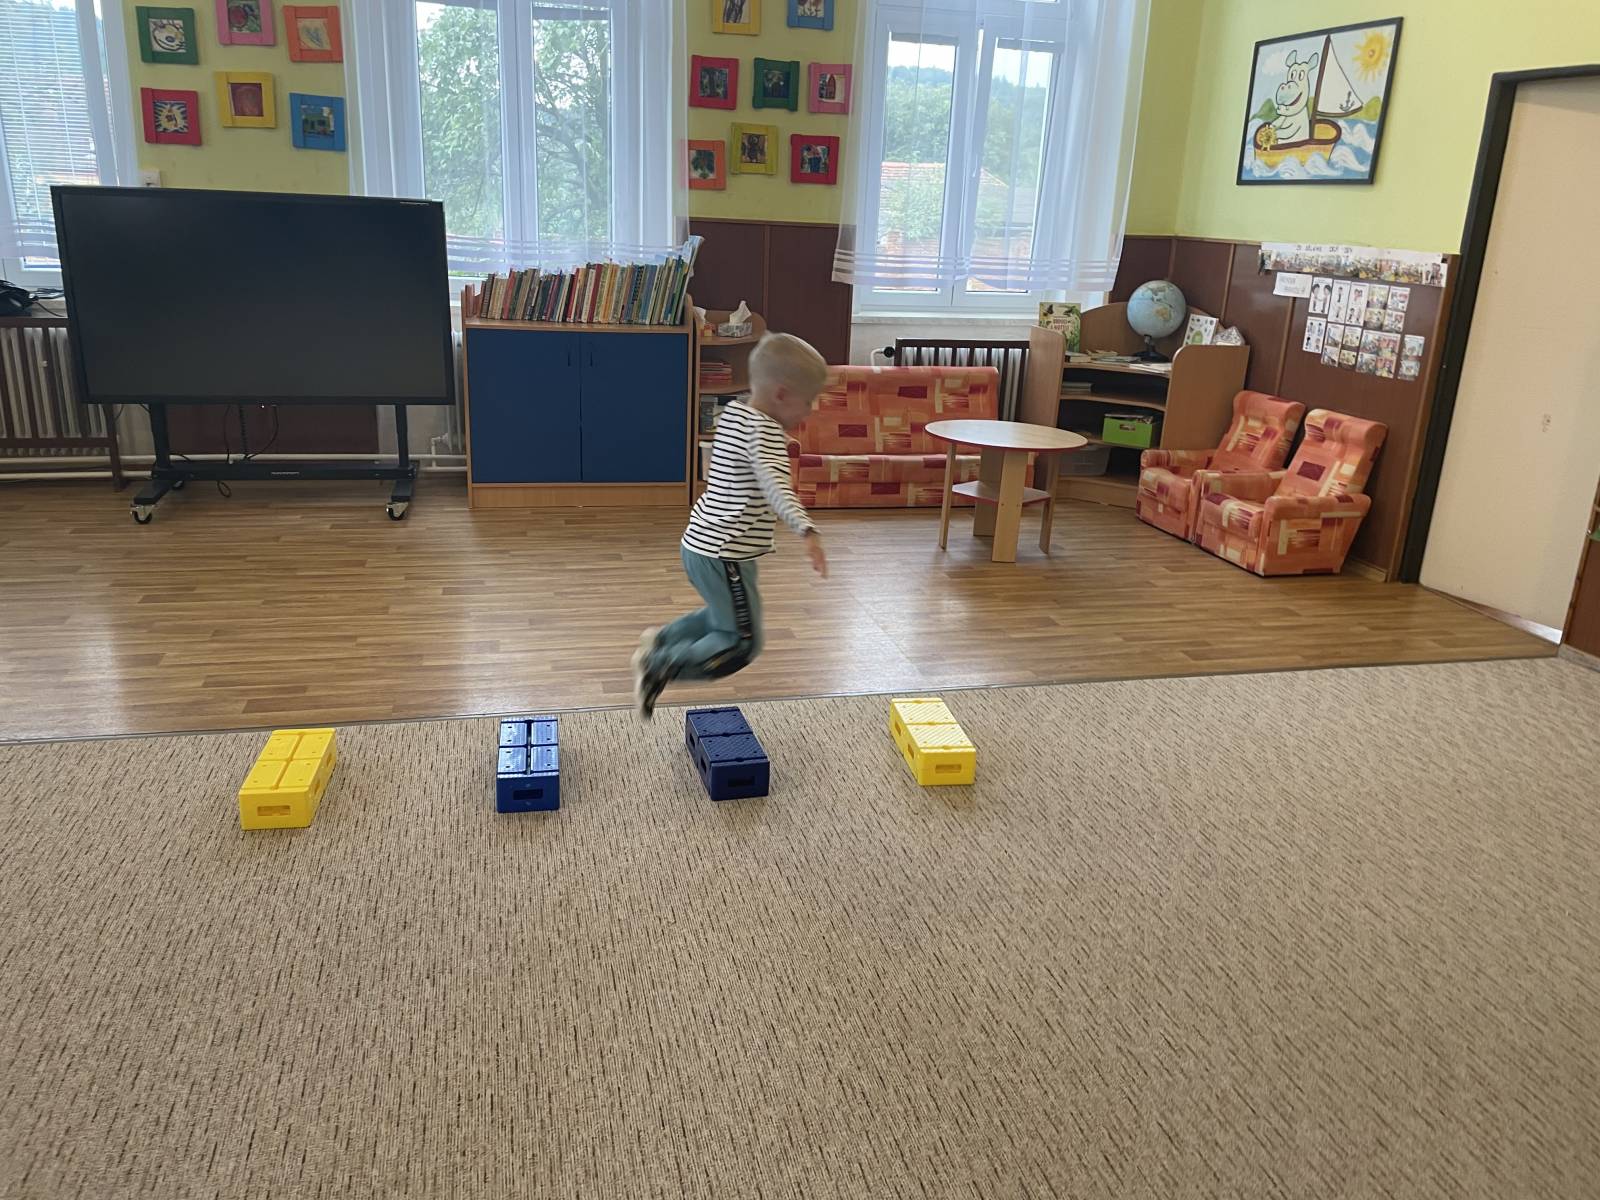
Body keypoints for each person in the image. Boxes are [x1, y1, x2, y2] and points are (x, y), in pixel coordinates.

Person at [632, 333, 830, 719]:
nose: (810, 410)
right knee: (741, 642)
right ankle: (659, 664)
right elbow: (776, 487)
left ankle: (661, 641)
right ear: (782, 394)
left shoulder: (736, 413)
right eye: (808, 401)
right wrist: (807, 530)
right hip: (726, 553)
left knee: (727, 617)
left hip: (703, 543)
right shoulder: (766, 434)